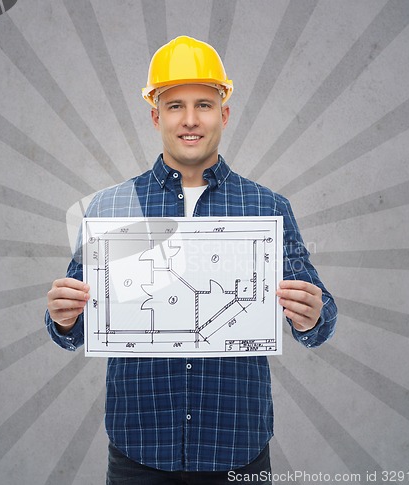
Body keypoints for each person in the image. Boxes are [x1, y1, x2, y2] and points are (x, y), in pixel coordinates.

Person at [46, 36, 337, 484]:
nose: (189, 119)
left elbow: (320, 323)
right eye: (175, 104)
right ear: (155, 115)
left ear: (224, 112)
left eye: (203, 103)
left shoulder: (266, 208)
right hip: (139, 448)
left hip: (236, 448)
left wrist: (312, 316)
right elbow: (76, 326)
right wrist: (64, 318)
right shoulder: (111, 208)